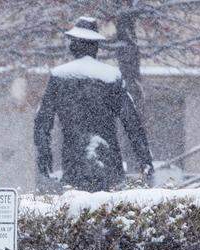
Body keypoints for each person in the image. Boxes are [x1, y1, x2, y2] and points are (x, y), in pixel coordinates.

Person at [33, 16, 154, 193]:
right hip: (109, 161)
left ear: (74, 46)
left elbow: (43, 121)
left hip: (74, 160)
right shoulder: (111, 77)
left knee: (78, 212)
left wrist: (44, 155)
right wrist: (144, 158)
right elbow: (132, 122)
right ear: (95, 47)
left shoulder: (60, 77)